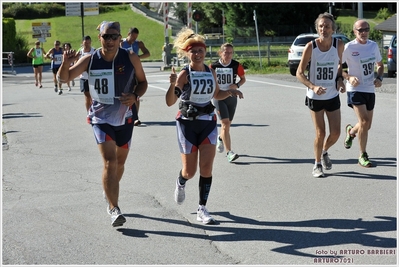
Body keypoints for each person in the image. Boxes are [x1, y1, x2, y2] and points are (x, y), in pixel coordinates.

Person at [57, 21, 148, 227]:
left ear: (120, 39)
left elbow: (143, 83)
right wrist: (65, 63)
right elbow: (64, 78)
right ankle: (114, 208)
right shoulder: (90, 59)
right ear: (100, 38)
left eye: (114, 36)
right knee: (109, 162)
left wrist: (134, 95)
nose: (109, 40)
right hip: (100, 118)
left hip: (125, 117)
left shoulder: (130, 57)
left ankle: (109, 190)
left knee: (120, 163)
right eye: (106, 36)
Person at [166, 27, 243, 224]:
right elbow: (169, 102)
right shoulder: (185, 74)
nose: (198, 54)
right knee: (190, 172)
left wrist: (231, 91)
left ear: (205, 52)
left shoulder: (211, 71)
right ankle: (181, 182)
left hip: (208, 122)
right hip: (187, 125)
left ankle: (202, 208)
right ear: (187, 53)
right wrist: (172, 85)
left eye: (200, 50)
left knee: (206, 168)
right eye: (193, 51)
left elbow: (216, 94)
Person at [296, 12, 346, 178]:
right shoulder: (311, 46)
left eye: (327, 26)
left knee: (336, 133)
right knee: (320, 133)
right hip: (315, 96)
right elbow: (299, 73)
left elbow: (340, 67)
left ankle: (324, 151)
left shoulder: (339, 45)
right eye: (321, 26)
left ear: (333, 29)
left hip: (332, 95)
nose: (323, 29)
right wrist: (313, 86)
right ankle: (317, 165)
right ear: (317, 28)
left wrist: (340, 80)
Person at [342, 19, 384, 168]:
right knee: (365, 122)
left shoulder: (373, 46)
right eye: (360, 30)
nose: (364, 32)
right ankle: (362, 155)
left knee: (367, 125)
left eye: (366, 29)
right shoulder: (348, 47)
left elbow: (380, 65)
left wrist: (379, 78)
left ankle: (351, 132)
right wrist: (348, 77)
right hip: (355, 89)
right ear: (355, 32)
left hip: (369, 89)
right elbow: (337, 67)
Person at [209, 43, 246, 163]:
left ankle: (220, 138)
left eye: (231, 52)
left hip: (232, 96)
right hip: (218, 96)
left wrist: (237, 85)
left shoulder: (236, 65)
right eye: (226, 52)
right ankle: (229, 152)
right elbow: (209, 80)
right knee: (224, 123)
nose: (228, 55)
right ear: (221, 53)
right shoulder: (213, 66)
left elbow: (243, 78)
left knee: (228, 125)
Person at [120, 27, 151, 126]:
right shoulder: (121, 43)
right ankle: (124, 115)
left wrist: (138, 57)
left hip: (135, 70)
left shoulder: (138, 43)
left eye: (135, 37)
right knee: (125, 93)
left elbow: (147, 53)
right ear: (128, 34)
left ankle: (135, 117)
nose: (134, 40)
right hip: (124, 71)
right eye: (132, 37)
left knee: (135, 93)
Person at [75, 36, 96, 112]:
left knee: (93, 96)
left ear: (90, 42)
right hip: (83, 77)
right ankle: (88, 112)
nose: (87, 44)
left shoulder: (94, 51)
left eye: (88, 42)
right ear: (82, 43)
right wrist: (78, 71)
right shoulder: (80, 52)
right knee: (87, 95)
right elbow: (76, 62)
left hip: (93, 77)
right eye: (85, 43)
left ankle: (94, 111)